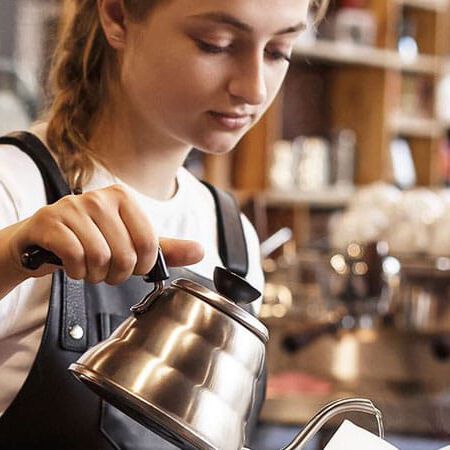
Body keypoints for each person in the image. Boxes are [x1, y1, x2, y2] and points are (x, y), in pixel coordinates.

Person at [0, 0, 328, 448]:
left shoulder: (232, 236)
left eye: (279, 51)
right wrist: (13, 254)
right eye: (216, 44)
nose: (253, 88)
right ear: (117, 17)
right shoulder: (14, 187)